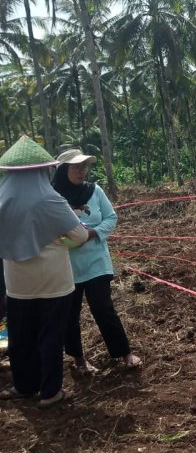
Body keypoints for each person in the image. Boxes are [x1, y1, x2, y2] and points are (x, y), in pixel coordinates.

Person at [0, 136, 89, 407]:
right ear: (42, 170)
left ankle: (24, 386)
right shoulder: (51, 200)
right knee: (50, 335)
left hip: (17, 282)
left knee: (21, 336)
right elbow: (81, 235)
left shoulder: (1, 199)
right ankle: (50, 392)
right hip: (53, 280)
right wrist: (61, 241)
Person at [52, 149, 141, 373]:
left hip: (96, 261)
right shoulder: (52, 198)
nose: (82, 171)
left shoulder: (95, 191)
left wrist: (92, 233)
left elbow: (111, 217)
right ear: (63, 171)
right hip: (66, 265)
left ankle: (124, 353)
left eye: (84, 167)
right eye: (76, 167)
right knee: (70, 313)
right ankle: (79, 359)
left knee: (103, 308)